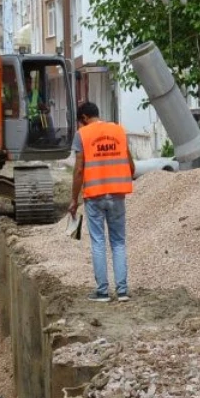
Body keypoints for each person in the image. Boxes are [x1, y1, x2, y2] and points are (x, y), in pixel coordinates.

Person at [68, 101, 135, 303]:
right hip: (117, 195)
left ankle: (103, 292)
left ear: (84, 119)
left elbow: (79, 170)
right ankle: (122, 291)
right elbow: (130, 165)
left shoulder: (83, 135)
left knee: (98, 242)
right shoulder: (119, 131)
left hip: (94, 196)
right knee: (118, 242)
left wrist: (73, 199)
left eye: (81, 122)